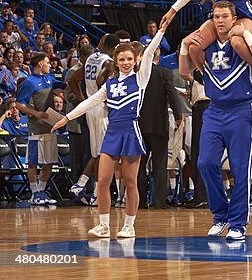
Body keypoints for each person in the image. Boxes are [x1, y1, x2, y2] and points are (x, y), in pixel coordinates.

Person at [52, 26, 167, 238]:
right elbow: (88, 102)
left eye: (129, 59)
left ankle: (129, 225)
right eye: (121, 59)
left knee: (130, 181)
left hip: (131, 132)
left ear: (135, 61)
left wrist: (161, 31)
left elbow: (150, 52)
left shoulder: (141, 79)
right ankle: (104, 225)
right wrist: (66, 118)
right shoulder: (109, 85)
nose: (125, 63)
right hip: (112, 133)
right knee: (103, 180)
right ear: (115, 61)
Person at [179, 0, 252, 242]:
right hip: (214, 110)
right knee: (205, 163)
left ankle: (238, 223)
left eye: (224, 17)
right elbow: (183, 70)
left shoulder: (239, 42)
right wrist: (184, 45)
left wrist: (248, 36)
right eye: (216, 17)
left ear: (233, 20)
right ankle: (220, 216)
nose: (219, 20)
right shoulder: (205, 46)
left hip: (241, 110)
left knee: (241, 169)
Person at [66, 32, 118, 205]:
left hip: (90, 109)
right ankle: (93, 190)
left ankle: (84, 186)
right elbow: (102, 81)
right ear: (115, 47)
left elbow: (73, 81)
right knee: (105, 153)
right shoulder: (109, 62)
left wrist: (84, 101)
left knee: (98, 152)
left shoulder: (89, 58)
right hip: (101, 109)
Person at [136, 32, 183, 210]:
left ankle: (139, 202)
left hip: (140, 125)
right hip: (159, 125)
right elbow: (172, 96)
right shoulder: (164, 73)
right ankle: (159, 202)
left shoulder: (137, 74)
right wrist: (178, 117)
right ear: (158, 56)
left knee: (139, 166)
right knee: (160, 165)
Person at [16, 53, 60, 205]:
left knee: (49, 162)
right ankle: (34, 192)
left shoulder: (49, 79)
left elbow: (61, 87)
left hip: (50, 126)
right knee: (33, 162)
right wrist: (35, 113)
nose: (50, 65)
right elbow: (19, 104)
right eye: (47, 62)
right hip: (36, 127)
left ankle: (41, 191)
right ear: (40, 64)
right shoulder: (29, 82)